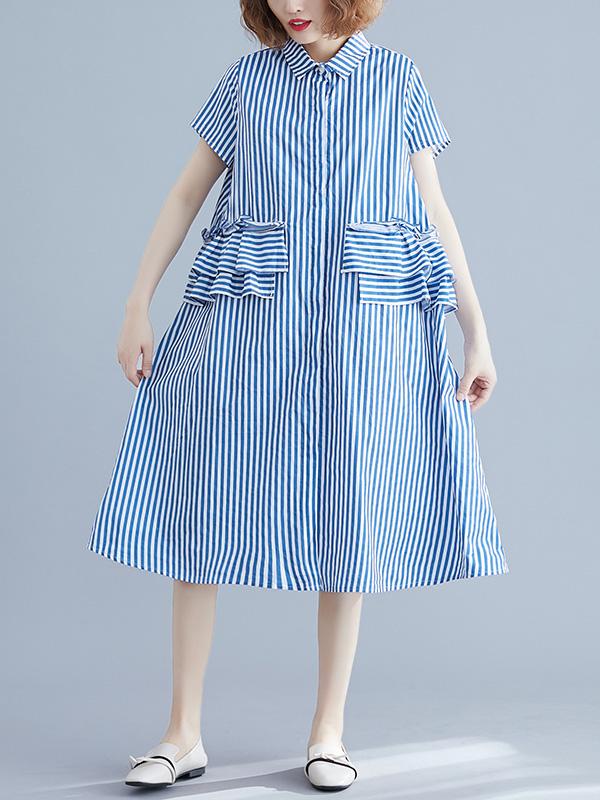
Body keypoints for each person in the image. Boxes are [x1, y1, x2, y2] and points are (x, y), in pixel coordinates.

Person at [87, 0, 509, 791]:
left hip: (362, 330)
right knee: (203, 510)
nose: (291, 6)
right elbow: (185, 195)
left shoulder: (397, 82)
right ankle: (182, 733)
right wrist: (137, 303)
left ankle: (328, 734)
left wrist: (475, 329)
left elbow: (435, 212)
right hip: (248, 324)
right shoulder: (246, 82)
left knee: (349, 515)